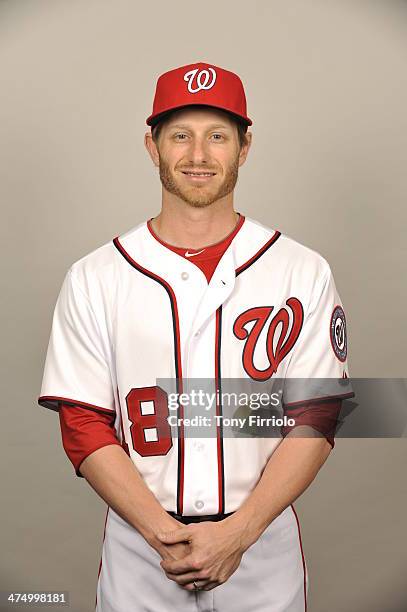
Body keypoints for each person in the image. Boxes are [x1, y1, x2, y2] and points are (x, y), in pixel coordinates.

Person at [38, 62, 354, 612]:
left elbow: (318, 413)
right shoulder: (96, 275)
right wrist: (161, 533)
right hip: (142, 551)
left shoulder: (302, 270)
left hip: (262, 548)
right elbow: (84, 424)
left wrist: (240, 532)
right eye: (180, 135)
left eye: (217, 136)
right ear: (152, 145)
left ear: (244, 147)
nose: (199, 155)